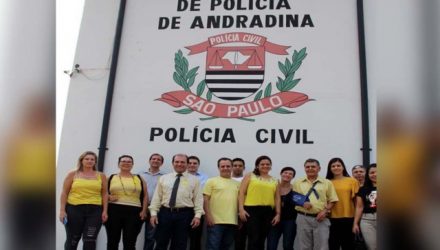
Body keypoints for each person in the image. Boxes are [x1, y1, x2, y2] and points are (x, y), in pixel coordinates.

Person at [149, 154, 204, 250]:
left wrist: (197, 216)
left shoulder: (194, 180)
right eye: (177, 162)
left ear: (187, 164)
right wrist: (153, 214)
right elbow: (157, 197)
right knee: (161, 241)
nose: (179, 164)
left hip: (185, 215)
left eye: (182, 162)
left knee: (180, 244)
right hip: (165, 213)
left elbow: (198, 199)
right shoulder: (164, 178)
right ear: (172, 163)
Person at [59, 151, 108, 250]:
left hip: (95, 211)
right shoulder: (73, 174)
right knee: (73, 239)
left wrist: (105, 211)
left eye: (92, 159)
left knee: (90, 240)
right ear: (81, 160)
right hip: (74, 209)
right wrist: (62, 210)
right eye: (87, 159)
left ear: (95, 162)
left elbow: (105, 194)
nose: (89, 161)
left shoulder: (101, 176)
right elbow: (64, 193)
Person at [292, 158, 338, 250]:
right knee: (304, 247)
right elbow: (294, 197)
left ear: (319, 168)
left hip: (321, 218)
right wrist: (302, 203)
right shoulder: (297, 182)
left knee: (322, 247)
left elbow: (333, 200)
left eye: (313, 166)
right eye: (307, 167)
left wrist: (325, 211)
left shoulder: (327, 182)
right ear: (304, 168)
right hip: (303, 218)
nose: (310, 169)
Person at [105, 155, 148, 250]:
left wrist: (144, 211)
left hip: (134, 212)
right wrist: (108, 197)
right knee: (112, 241)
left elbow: (145, 196)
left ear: (132, 165)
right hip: (113, 211)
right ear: (118, 164)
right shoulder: (111, 177)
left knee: (130, 242)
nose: (126, 163)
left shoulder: (139, 178)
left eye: (129, 162)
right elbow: (102, 194)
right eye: (123, 161)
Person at [238, 155, 280, 250]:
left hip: (268, 211)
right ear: (257, 166)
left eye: (267, 164)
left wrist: (278, 214)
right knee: (254, 238)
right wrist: (241, 209)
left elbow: (277, 198)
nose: (265, 166)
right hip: (251, 210)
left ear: (270, 166)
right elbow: (241, 192)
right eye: (262, 164)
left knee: (262, 238)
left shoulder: (275, 180)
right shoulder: (250, 175)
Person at [203, 157, 240, 250]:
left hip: (232, 221)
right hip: (215, 222)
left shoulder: (238, 184)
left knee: (227, 248)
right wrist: (208, 216)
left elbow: (240, 202)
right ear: (218, 168)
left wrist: (239, 219)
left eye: (228, 166)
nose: (225, 168)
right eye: (222, 166)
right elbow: (205, 199)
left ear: (232, 167)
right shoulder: (211, 181)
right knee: (213, 247)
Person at [325, 158, 359, 250]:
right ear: (330, 168)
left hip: (348, 217)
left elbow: (357, 203)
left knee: (348, 245)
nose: (336, 167)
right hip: (330, 218)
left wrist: (356, 221)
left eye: (338, 165)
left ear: (343, 167)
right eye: (333, 166)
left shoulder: (352, 181)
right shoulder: (327, 182)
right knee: (332, 245)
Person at [267, 166, 298, 250]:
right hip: (274, 220)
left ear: (293, 177)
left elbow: (302, 202)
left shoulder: (296, 189)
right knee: (271, 246)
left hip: (290, 221)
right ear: (281, 174)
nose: (287, 175)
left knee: (287, 245)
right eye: (285, 173)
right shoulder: (273, 186)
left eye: (290, 174)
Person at [139, 153, 166, 250]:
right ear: (149, 161)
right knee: (132, 232)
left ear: (161, 163)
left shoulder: (164, 177)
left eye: (158, 159)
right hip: (140, 207)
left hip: (155, 208)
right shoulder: (140, 175)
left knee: (151, 235)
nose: (156, 160)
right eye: (153, 159)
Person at [353, 163, 377, 250]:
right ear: (368, 175)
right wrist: (355, 224)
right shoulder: (363, 189)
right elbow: (359, 207)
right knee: (372, 247)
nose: (374, 174)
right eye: (372, 172)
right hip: (367, 221)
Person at [187, 155, 208, 250]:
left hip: (197, 211)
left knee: (195, 238)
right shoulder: (180, 176)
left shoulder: (205, 178)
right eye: (190, 163)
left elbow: (204, 195)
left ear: (198, 165)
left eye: (195, 163)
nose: (192, 165)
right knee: (179, 238)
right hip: (182, 210)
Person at [231, 158, 247, 250]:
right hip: (227, 215)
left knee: (240, 241)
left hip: (242, 214)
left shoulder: (247, 180)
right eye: (235, 165)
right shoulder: (226, 179)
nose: (237, 167)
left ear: (244, 168)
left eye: (240, 166)